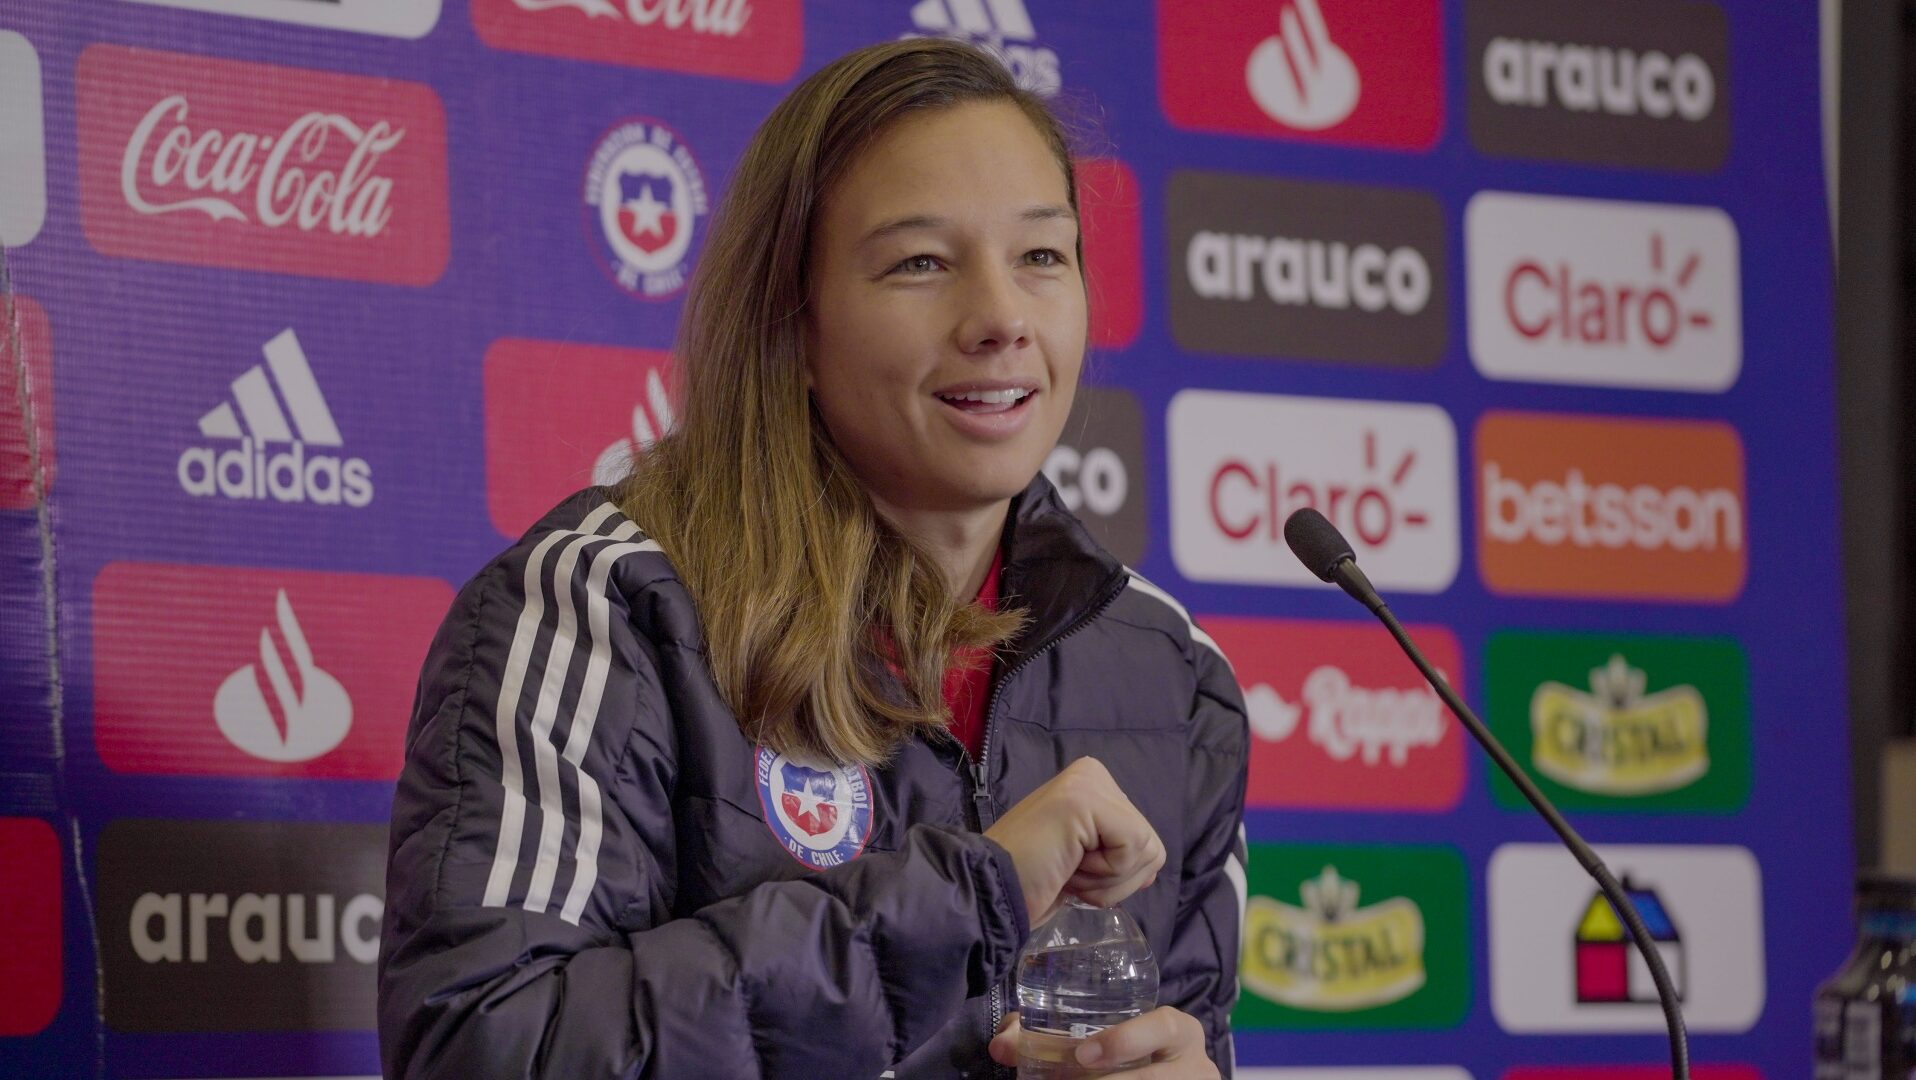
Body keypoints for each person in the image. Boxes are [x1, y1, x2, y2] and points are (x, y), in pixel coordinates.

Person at [377, 37, 1248, 1080]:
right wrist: (969, 899)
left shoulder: (1169, 669)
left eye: (1040, 256)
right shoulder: (603, 606)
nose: (1002, 318)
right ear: (791, 326)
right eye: (920, 262)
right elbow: (485, 1048)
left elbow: (1192, 1031)